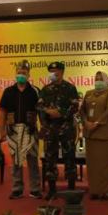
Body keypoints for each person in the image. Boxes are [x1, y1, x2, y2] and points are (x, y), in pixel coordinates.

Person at [0, 60, 41, 199]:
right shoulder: (8, 91)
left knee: (33, 160)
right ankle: (17, 188)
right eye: (19, 72)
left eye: (23, 72)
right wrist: (2, 130)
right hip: (13, 130)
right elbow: (3, 112)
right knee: (16, 161)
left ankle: (35, 189)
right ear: (15, 74)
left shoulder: (35, 91)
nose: (21, 75)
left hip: (30, 130)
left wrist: (43, 128)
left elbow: (41, 111)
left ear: (28, 75)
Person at [37, 62, 80, 200]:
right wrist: (47, 112)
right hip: (51, 129)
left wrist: (61, 113)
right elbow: (39, 106)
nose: (52, 73)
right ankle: (52, 190)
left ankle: (71, 189)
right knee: (50, 158)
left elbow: (75, 106)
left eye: (55, 70)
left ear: (61, 72)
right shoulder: (45, 89)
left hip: (66, 128)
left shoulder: (70, 88)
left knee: (70, 157)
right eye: (50, 71)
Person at [80, 71, 108, 200]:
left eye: (101, 79)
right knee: (92, 164)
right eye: (96, 79)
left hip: (104, 134)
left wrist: (96, 123)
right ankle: (95, 190)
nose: (98, 81)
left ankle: (107, 190)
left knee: (105, 164)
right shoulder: (88, 93)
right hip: (90, 134)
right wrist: (85, 122)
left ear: (106, 80)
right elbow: (82, 110)